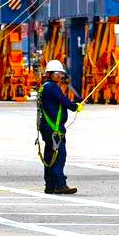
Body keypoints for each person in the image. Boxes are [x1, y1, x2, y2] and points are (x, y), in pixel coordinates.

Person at [38, 59, 79, 195]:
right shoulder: (52, 87)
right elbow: (64, 101)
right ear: (51, 74)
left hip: (47, 128)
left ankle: (50, 185)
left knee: (50, 155)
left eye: (62, 73)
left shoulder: (45, 86)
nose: (61, 76)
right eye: (58, 73)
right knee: (59, 155)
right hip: (54, 129)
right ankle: (60, 184)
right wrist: (75, 107)